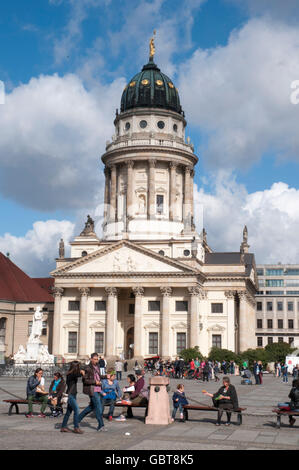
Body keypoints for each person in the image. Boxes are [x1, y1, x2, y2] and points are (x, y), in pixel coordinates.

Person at [77, 353, 106, 432]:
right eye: (95, 359)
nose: (96, 361)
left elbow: (98, 376)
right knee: (98, 407)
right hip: (92, 390)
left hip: (98, 389)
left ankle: (77, 419)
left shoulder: (98, 366)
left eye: (97, 359)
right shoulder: (87, 368)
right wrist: (95, 382)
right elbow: (85, 380)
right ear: (91, 359)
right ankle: (101, 425)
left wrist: (106, 376)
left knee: (91, 407)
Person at [60, 361, 85, 434]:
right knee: (76, 410)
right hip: (70, 395)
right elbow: (77, 375)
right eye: (78, 367)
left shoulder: (71, 373)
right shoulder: (71, 374)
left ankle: (63, 427)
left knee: (68, 412)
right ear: (75, 367)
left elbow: (77, 375)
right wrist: (81, 372)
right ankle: (76, 427)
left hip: (73, 394)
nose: (79, 368)